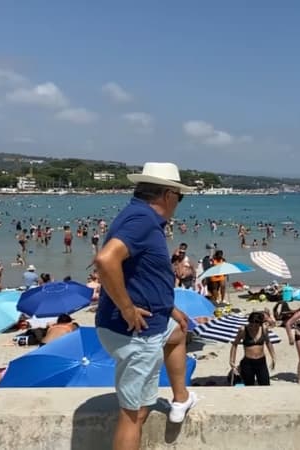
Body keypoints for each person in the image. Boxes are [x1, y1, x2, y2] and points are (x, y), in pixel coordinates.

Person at [94, 162, 197, 450]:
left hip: (150, 324)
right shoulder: (141, 220)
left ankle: (181, 398)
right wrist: (127, 308)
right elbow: (106, 260)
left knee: (176, 332)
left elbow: (139, 273)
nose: (178, 203)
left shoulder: (139, 215)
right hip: (135, 332)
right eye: (180, 196)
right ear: (167, 194)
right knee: (132, 416)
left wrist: (169, 308)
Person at [230, 311, 276, 386]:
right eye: (251, 324)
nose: (254, 327)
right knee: (249, 386)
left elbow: (268, 342)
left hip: (261, 362)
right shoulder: (243, 330)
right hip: (248, 363)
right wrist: (232, 361)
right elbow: (235, 344)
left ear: (260, 324)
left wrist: (273, 357)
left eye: (256, 325)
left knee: (265, 384)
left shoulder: (264, 329)